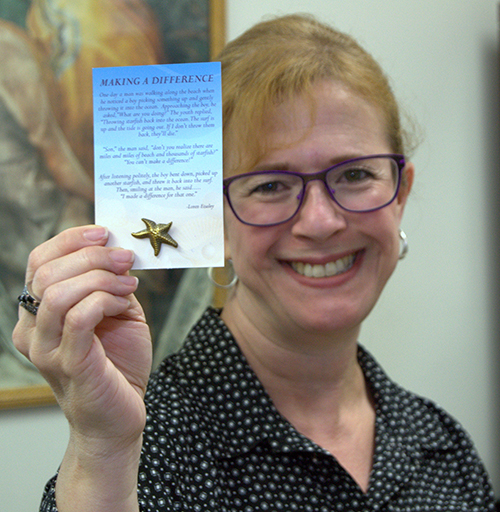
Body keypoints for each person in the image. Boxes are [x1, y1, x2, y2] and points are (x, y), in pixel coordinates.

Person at [13, 14, 496, 512]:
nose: (321, 221)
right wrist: (103, 452)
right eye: (270, 185)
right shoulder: (145, 453)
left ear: (401, 194)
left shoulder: (442, 446)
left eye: (355, 174)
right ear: (213, 222)